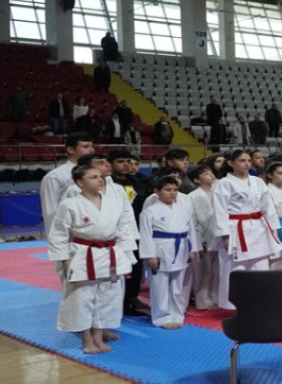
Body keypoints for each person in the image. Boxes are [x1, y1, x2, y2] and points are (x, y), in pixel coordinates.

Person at [47, 165, 138, 354]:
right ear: (80, 182)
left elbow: (125, 229)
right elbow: (58, 234)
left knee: (108, 298)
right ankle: (87, 339)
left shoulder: (114, 202)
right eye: (93, 177)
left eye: (100, 176)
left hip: (111, 253)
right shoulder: (70, 204)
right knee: (81, 299)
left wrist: (127, 258)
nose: (100, 179)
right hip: (82, 254)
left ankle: (99, 336)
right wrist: (63, 260)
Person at [211, 150, 282, 310]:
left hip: (258, 228)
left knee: (260, 267)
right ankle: (235, 305)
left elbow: (268, 207)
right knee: (236, 269)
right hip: (236, 229)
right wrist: (224, 235)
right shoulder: (224, 183)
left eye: (249, 160)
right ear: (231, 163)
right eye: (242, 160)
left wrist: (273, 229)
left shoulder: (258, 182)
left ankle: (259, 303)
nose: (247, 164)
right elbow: (219, 211)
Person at [138, 177, 198, 329]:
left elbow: (190, 231)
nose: (172, 193)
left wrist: (193, 249)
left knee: (178, 287)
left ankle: (177, 315)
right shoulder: (149, 212)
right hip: (160, 249)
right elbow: (145, 235)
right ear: (156, 192)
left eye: (175, 190)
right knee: (160, 286)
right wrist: (149, 255)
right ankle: (162, 318)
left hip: (181, 247)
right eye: (168, 190)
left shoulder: (184, 209)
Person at [106, 148, 152, 316]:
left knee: (137, 266)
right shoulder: (107, 184)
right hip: (117, 232)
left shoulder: (140, 182)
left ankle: (133, 297)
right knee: (120, 267)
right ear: (110, 164)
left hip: (137, 228)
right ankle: (120, 301)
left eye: (128, 161)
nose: (126, 165)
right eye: (120, 161)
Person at [40, 132, 95, 234]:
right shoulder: (55, 177)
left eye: (92, 146)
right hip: (70, 233)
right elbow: (51, 211)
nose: (91, 150)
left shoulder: (102, 175)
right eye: (86, 146)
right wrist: (57, 241)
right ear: (70, 149)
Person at [187, 165, 220, 310]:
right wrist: (196, 241)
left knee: (217, 269)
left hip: (218, 235)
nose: (211, 175)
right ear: (196, 179)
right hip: (201, 235)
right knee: (203, 270)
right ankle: (201, 300)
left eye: (211, 172)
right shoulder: (192, 196)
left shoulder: (219, 192)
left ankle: (215, 296)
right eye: (206, 174)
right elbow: (192, 221)